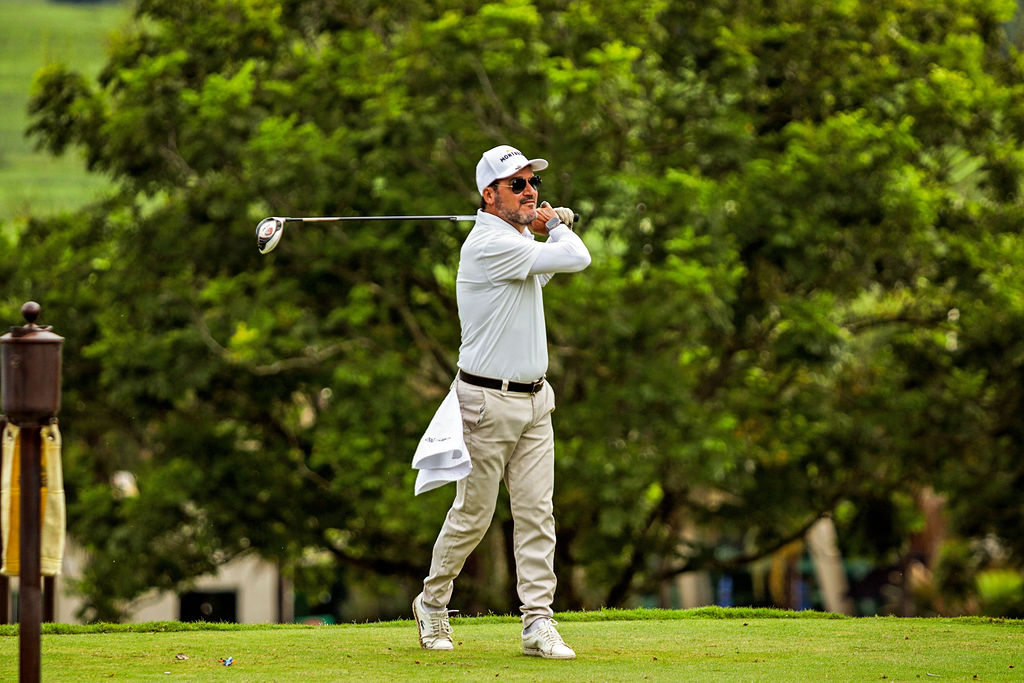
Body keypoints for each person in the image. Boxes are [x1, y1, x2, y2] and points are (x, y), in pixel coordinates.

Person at [413, 145, 591, 659]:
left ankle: (538, 621)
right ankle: (432, 602)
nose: (530, 191)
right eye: (517, 185)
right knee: (473, 516)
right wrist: (555, 225)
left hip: (536, 402)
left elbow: (547, 270)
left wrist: (541, 228)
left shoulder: (513, 243)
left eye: (533, 183)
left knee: (537, 515)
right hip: (485, 404)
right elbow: (576, 257)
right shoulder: (488, 245)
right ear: (489, 195)